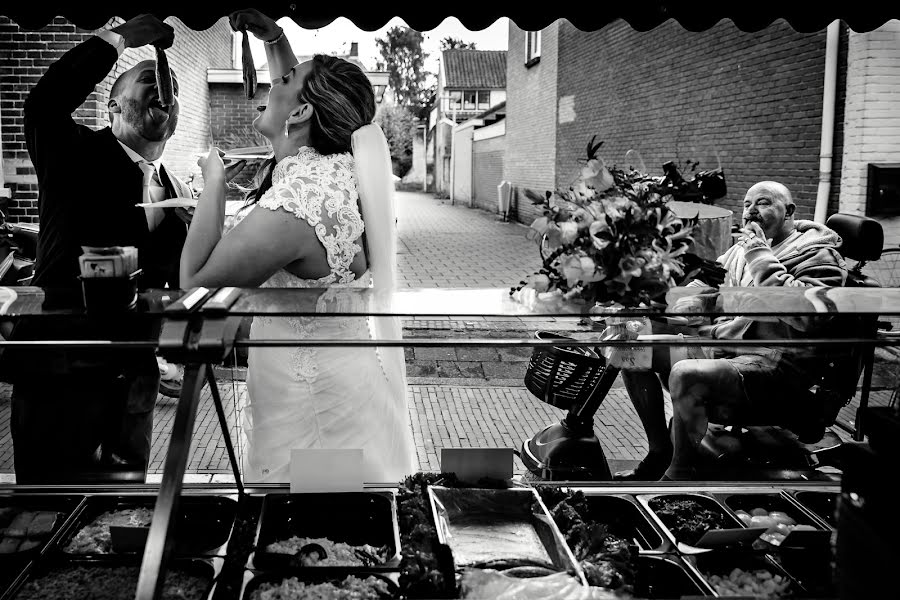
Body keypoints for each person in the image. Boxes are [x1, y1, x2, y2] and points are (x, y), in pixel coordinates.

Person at [180, 9, 415, 483]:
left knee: (313, 540)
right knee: (341, 539)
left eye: (282, 80)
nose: (271, 85)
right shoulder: (340, 176)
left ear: (304, 112)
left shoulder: (300, 200)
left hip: (313, 421)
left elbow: (194, 292)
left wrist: (213, 182)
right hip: (342, 394)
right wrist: (274, 39)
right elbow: (292, 101)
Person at [8, 15, 192, 482]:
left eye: (170, 86)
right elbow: (44, 103)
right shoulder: (71, 154)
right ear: (112, 105)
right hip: (62, 377)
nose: (163, 88)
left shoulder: (173, 191)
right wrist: (124, 39)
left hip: (133, 391)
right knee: (50, 520)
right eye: (149, 79)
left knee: (121, 519)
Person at [615, 181, 848, 481]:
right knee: (630, 350)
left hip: (775, 364)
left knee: (687, 373)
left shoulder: (818, 256)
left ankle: (679, 476)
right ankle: (660, 452)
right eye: (747, 204)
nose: (751, 211)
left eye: (762, 203)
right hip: (727, 348)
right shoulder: (742, 249)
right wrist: (662, 303)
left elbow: (806, 317)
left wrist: (758, 253)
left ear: (789, 211)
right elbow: (708, 289)